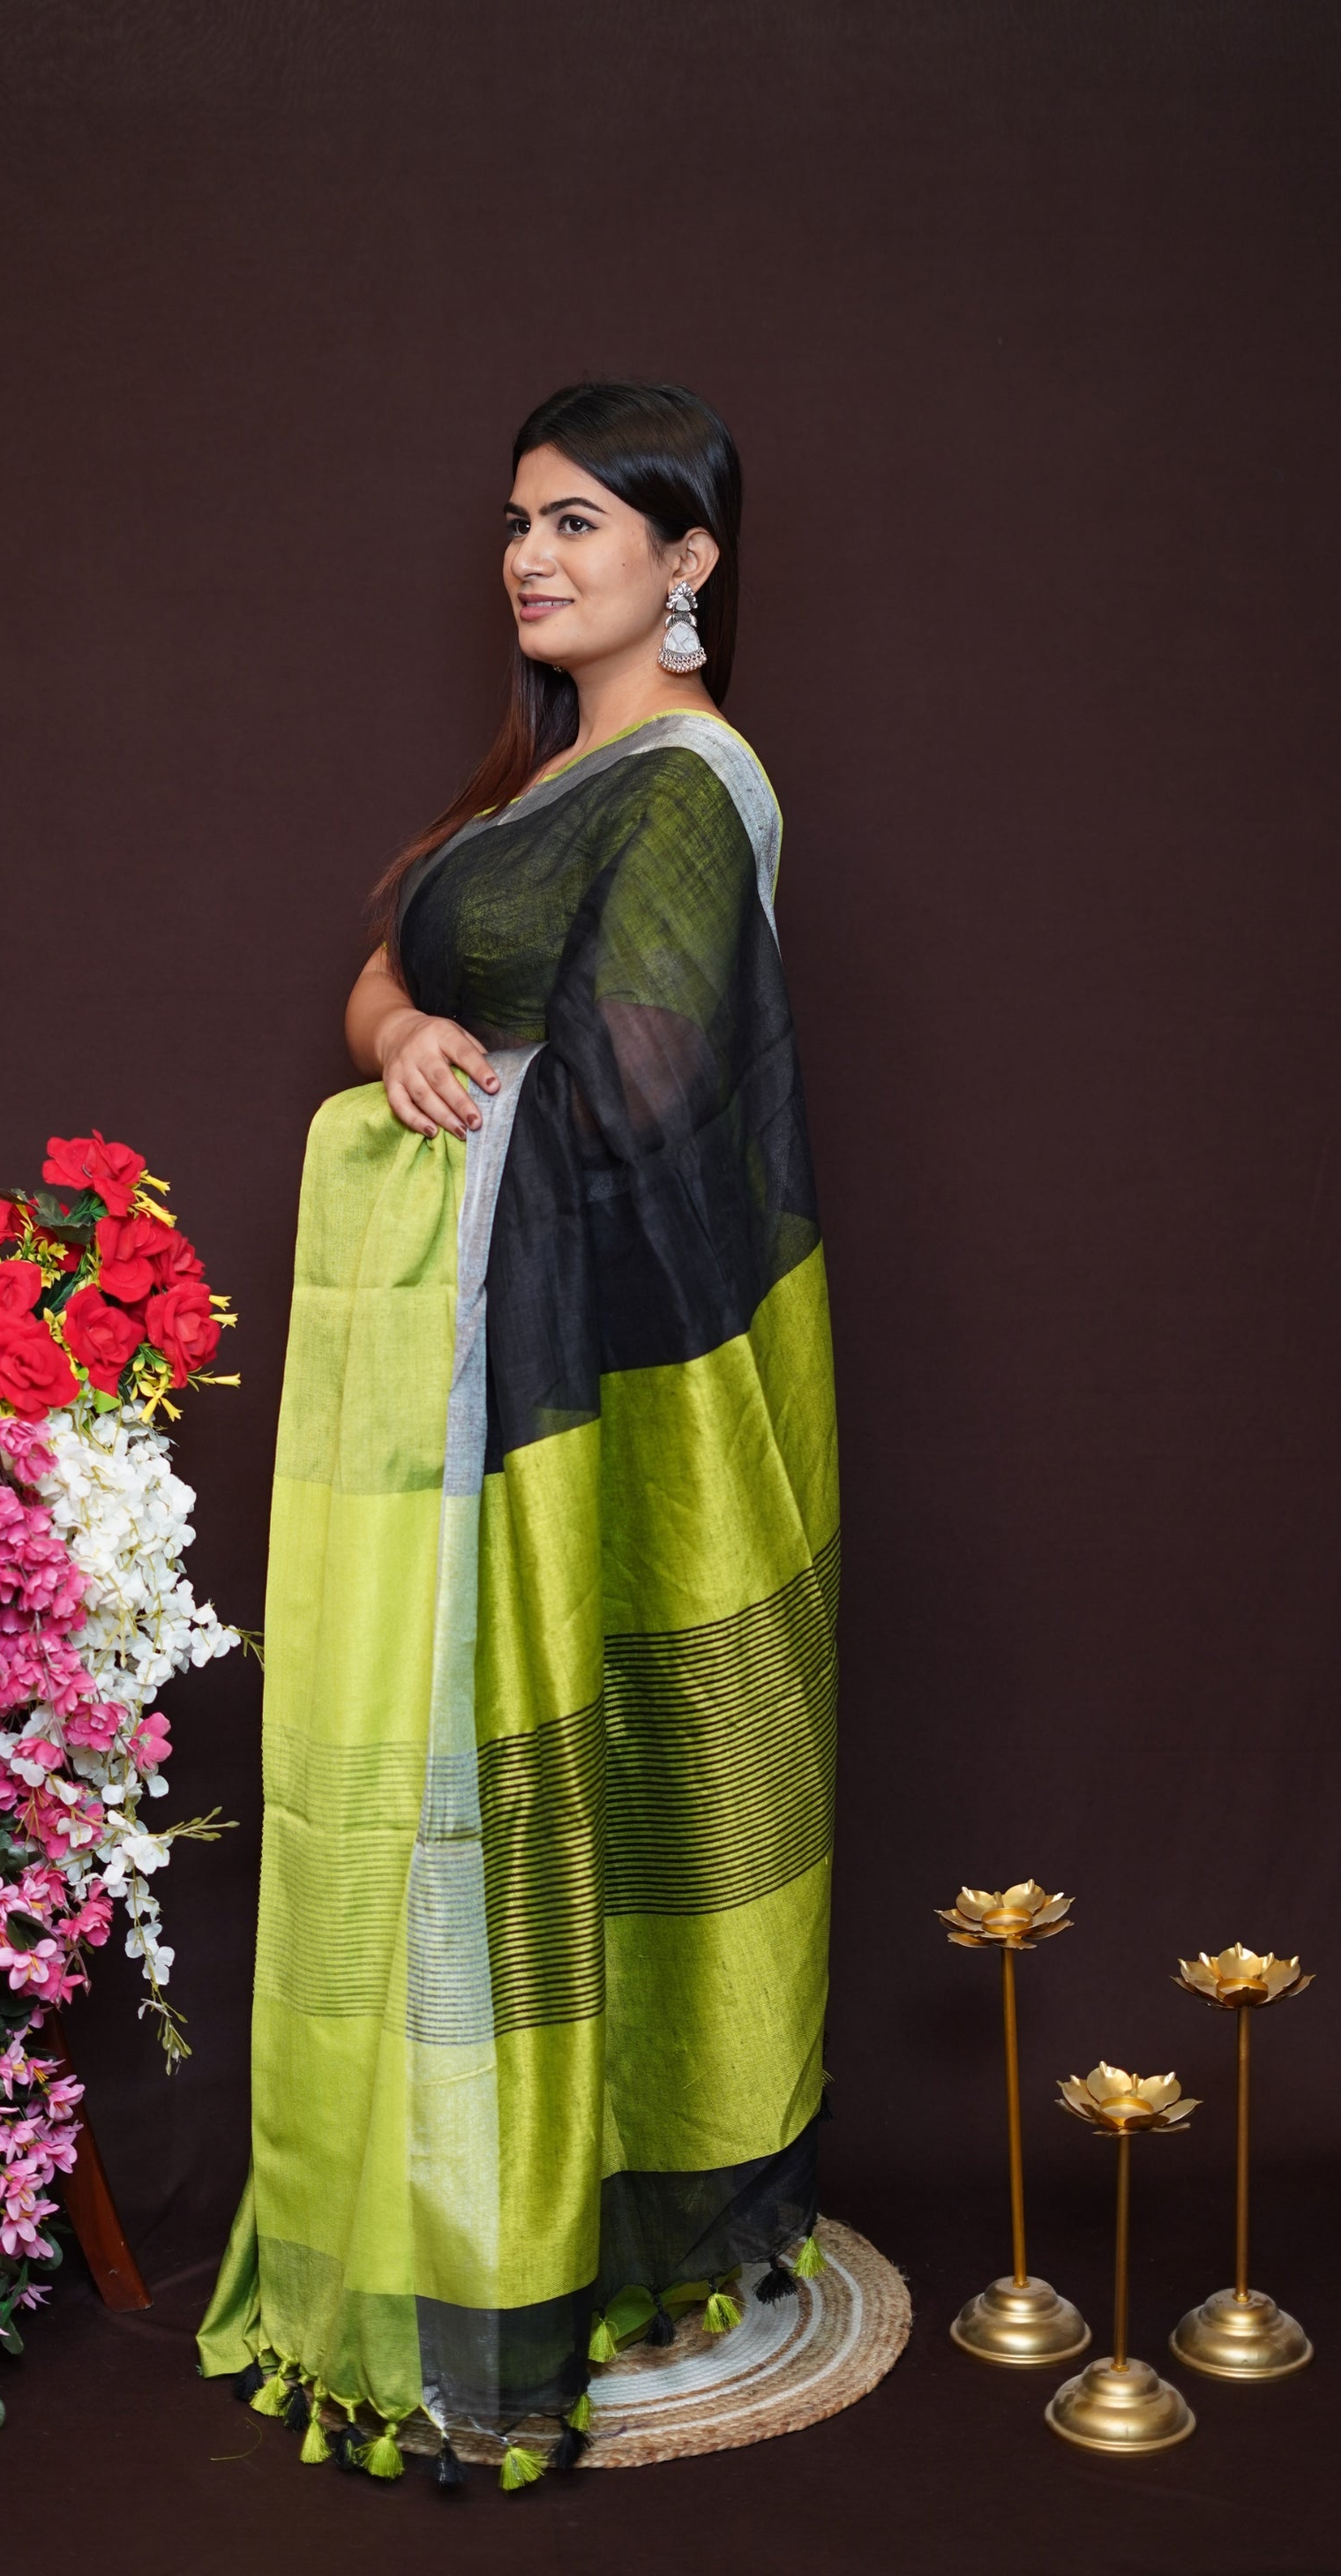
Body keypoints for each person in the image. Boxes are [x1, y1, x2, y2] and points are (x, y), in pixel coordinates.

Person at [199, 381, 838, 2482]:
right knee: (453, 1775)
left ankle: (544, 2223)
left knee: (570, 1779)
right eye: (514, 523)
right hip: (475, 1351)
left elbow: (645, 1099)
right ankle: (464, 2194)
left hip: (573, 1385)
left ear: (688, 558)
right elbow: (387, 972)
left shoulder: (689, 784)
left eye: (577, 521)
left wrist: (469, 1087)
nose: (530, 557)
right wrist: (399, 1034)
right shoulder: (546, 779)